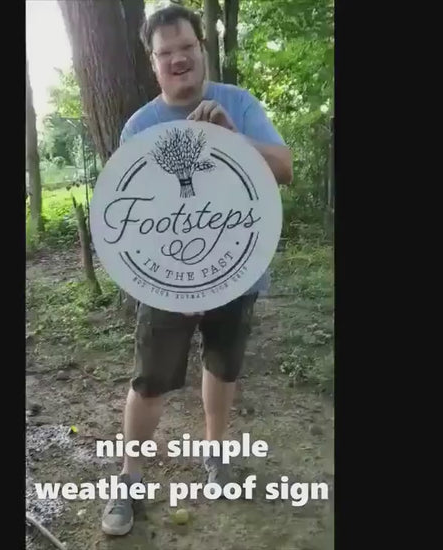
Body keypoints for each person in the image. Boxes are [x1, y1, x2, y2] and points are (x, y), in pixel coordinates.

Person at [101, 5, 293, 536]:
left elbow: (284, 169)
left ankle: (216, 454)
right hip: (166, 282)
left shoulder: (239, 104)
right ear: (153, 62)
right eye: (166, 53)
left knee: (223, 367)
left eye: (186, 47)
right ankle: (129, 478)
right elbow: (130, 217)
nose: (178, 59)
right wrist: (169, 287)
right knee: (150, 380)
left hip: (237, 271)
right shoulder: (140, 128)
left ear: (201, 48)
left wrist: (233, 138)